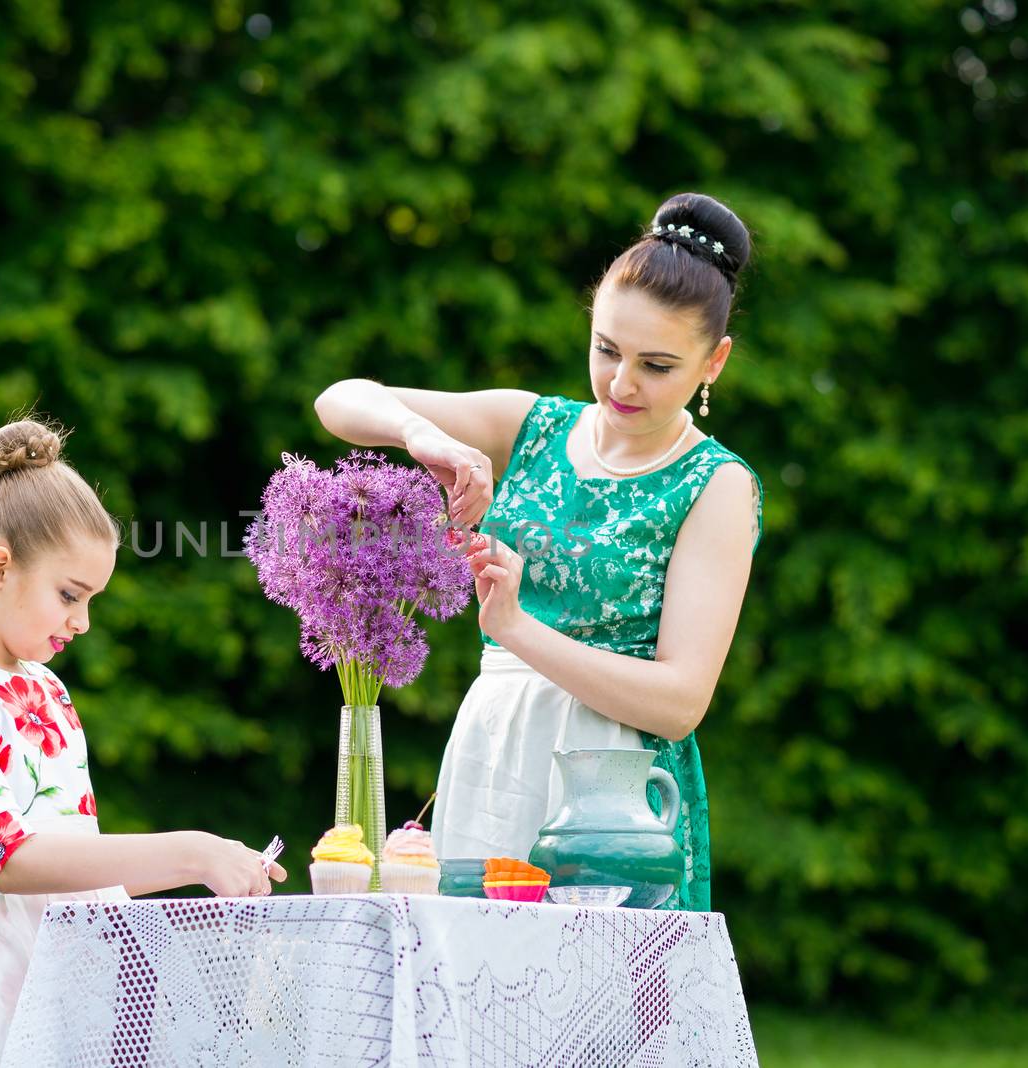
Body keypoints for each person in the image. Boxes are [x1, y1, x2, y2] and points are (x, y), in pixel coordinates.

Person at [313, 193, 763, 911]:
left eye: (657, 365)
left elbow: (680, 702)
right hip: (496, 745)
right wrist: (421, 435)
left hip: (614, 787)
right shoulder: (533, 425)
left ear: (714, 362)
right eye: (607, 349)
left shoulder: (716, 485)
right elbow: (340, 399)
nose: (621, 382)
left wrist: (518, 629)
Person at [0, 418, 286, 1068]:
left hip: (62, 971)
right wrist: (190, 852)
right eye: (70, 595)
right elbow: (7, 860)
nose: (83, 621)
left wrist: (207, 871)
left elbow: (82, 865)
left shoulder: (49, 694)